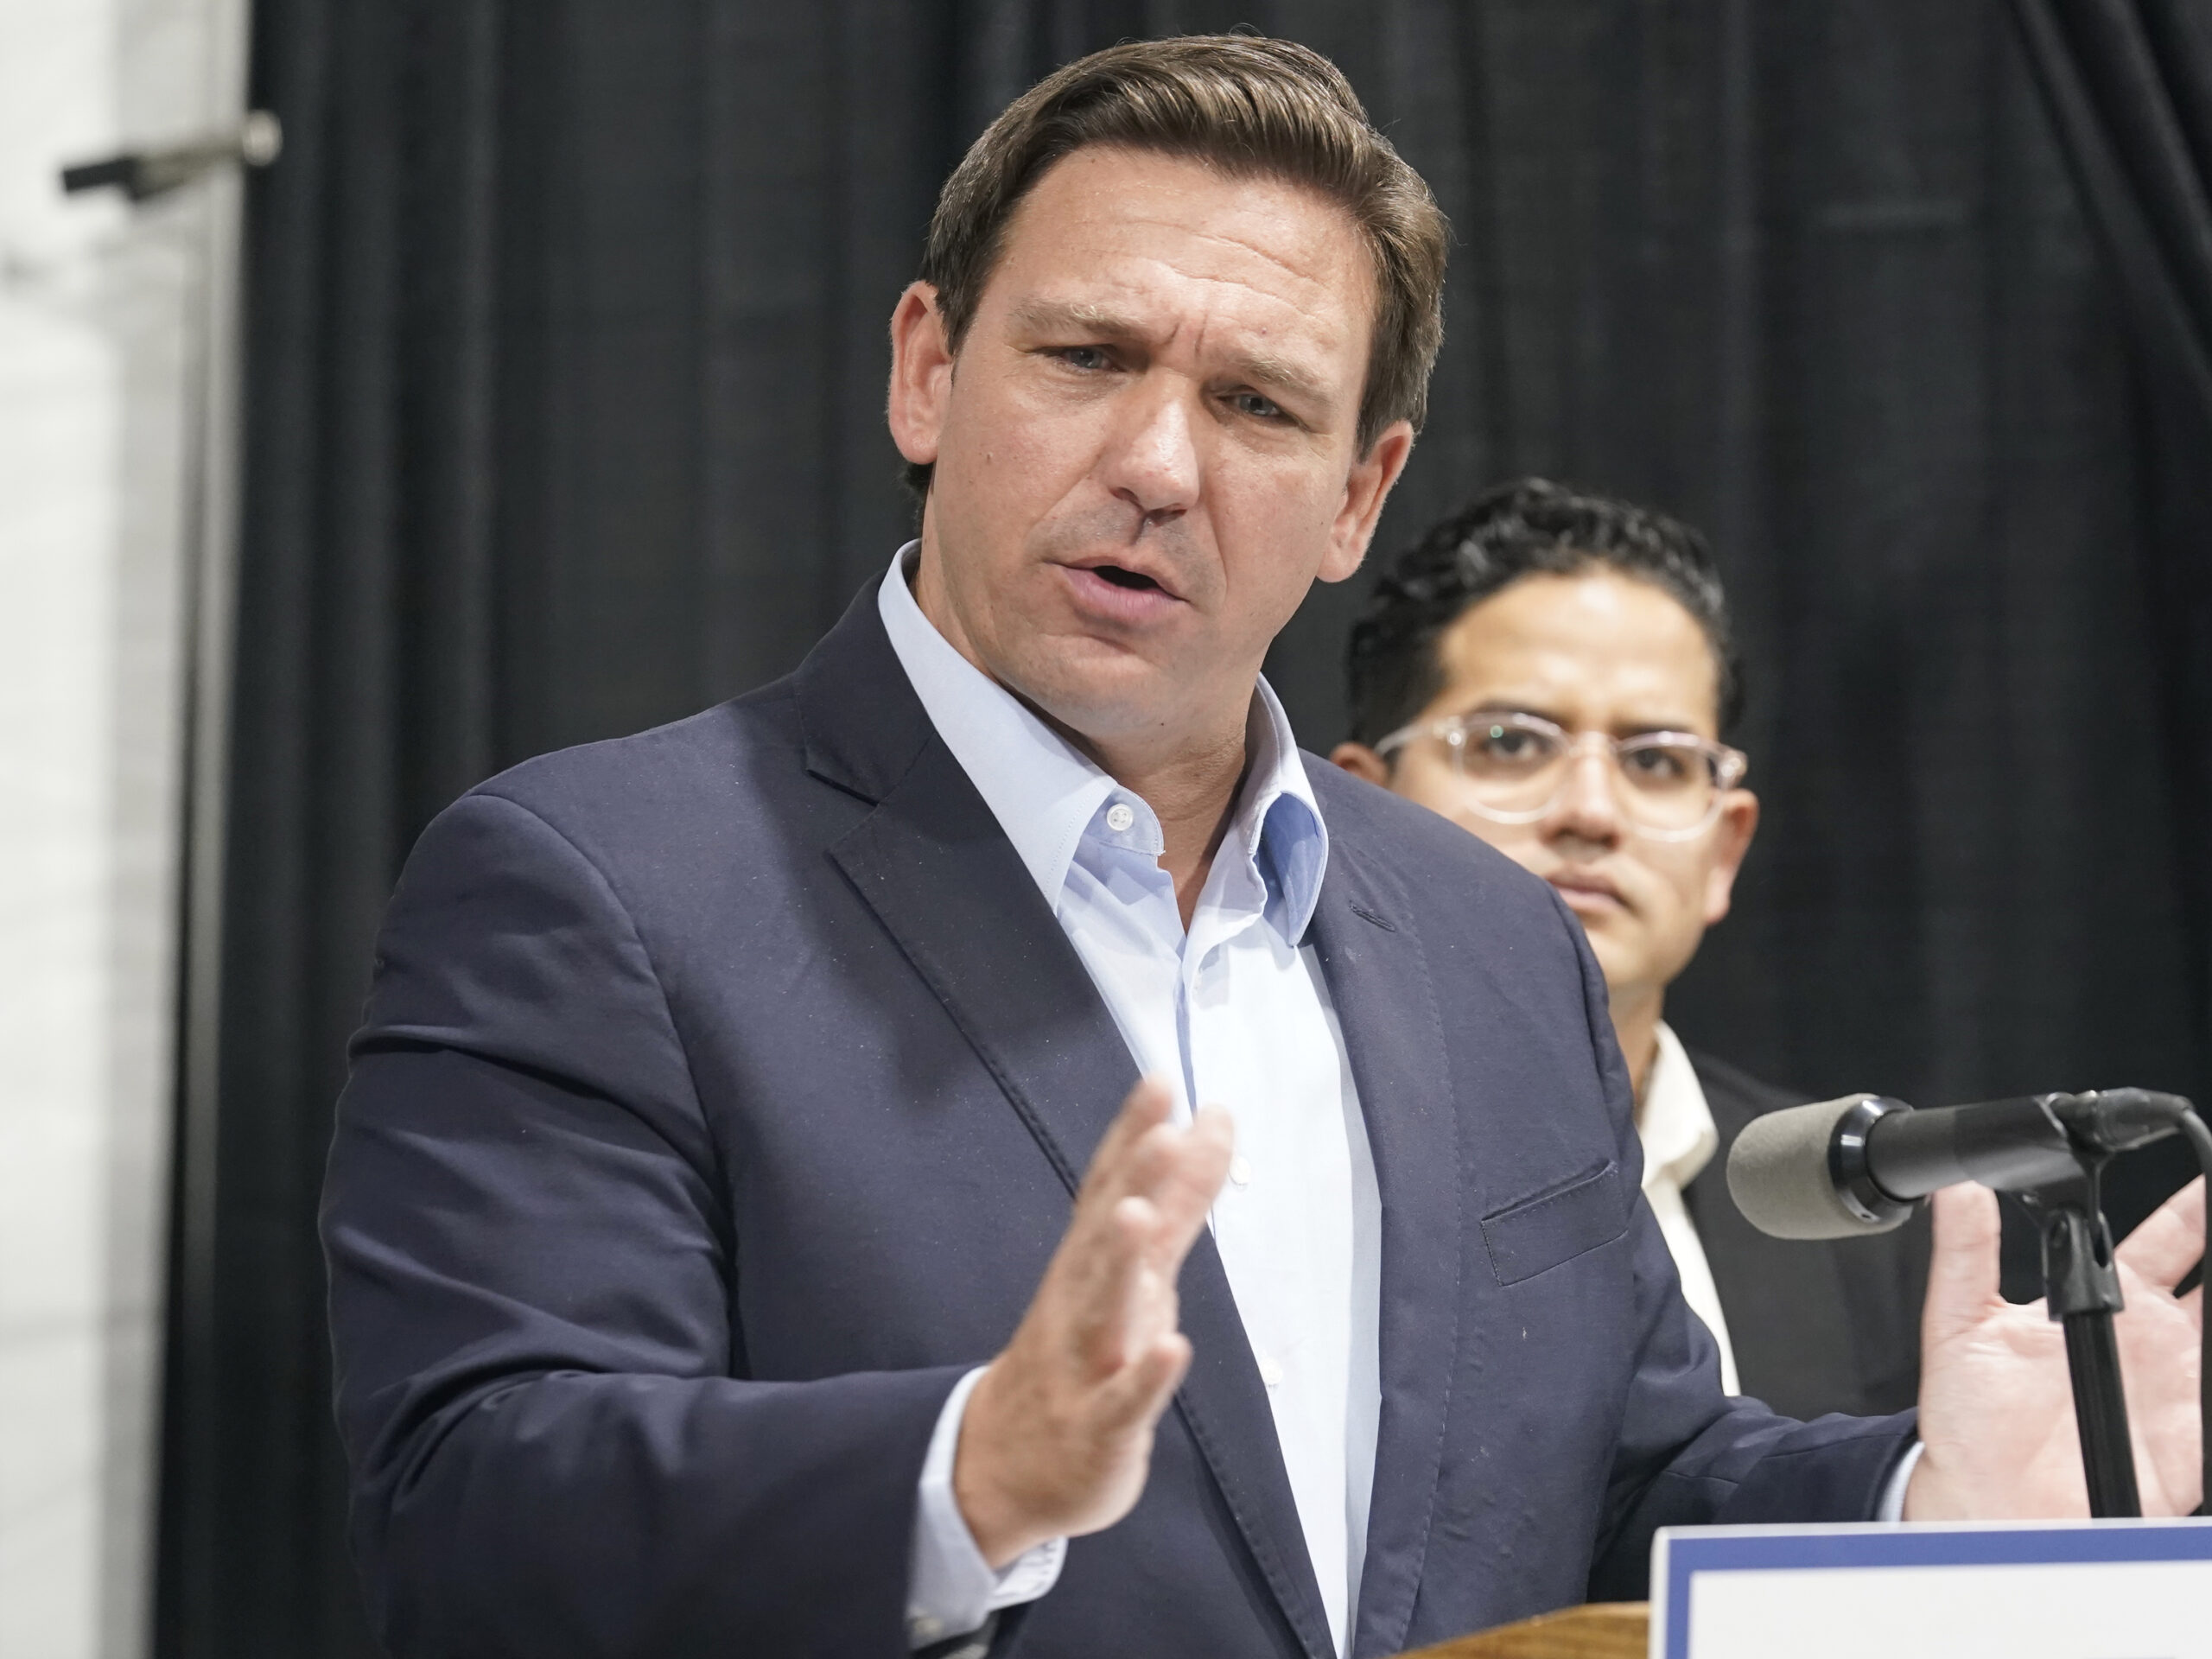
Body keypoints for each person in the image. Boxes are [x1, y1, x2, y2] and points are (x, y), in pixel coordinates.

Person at [320, 35, 2206, 1659]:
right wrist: (967, 1475)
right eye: (1087, 356)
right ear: (927, 372)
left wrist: (1925, 1501)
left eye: (1255, 404)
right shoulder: (603, 883)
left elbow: (1625, 1481)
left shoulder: (1488, 939)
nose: (1158, 463)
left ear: (1356, 494)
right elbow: (478, 1505)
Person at [1330, 479, 1929, 1421]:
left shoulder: (1850, 1209)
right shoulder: (1251, 1159)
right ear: (1361, 805)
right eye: (1511, 743)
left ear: (1724, 850)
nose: (1591, 811)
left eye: (1655, 760)